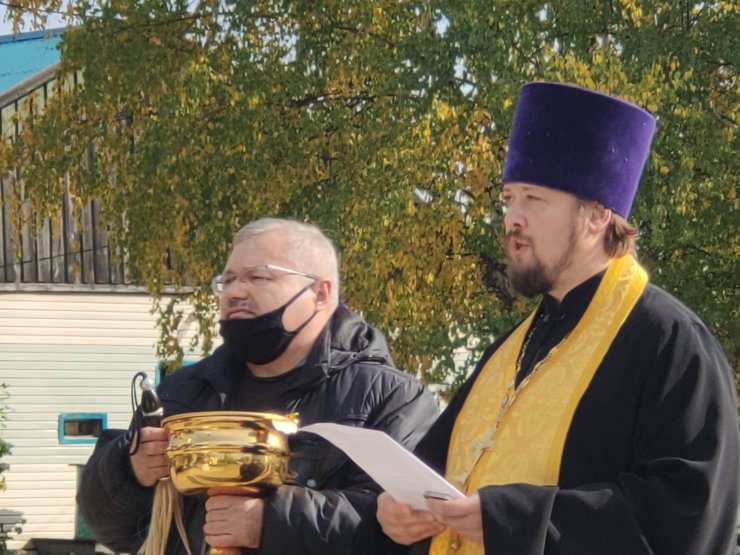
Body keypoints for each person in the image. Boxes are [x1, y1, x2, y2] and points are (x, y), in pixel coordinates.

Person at [376, 82, 739, 554]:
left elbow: (688, 516)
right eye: (509, 198)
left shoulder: (670, 343)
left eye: (533, 198)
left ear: (597, 216)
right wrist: (396, 512)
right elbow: (432, 475)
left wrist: (516, 520)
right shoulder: (508, 351)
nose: (512, 218)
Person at [77, 217, 439, 555]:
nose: (235, 292)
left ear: (320, 293)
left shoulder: (391, 399)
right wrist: (130, 472)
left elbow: (407, 531)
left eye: (259, 277)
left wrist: (270, 522)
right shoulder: (184, 391)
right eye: (229, 279)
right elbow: (111, 530)